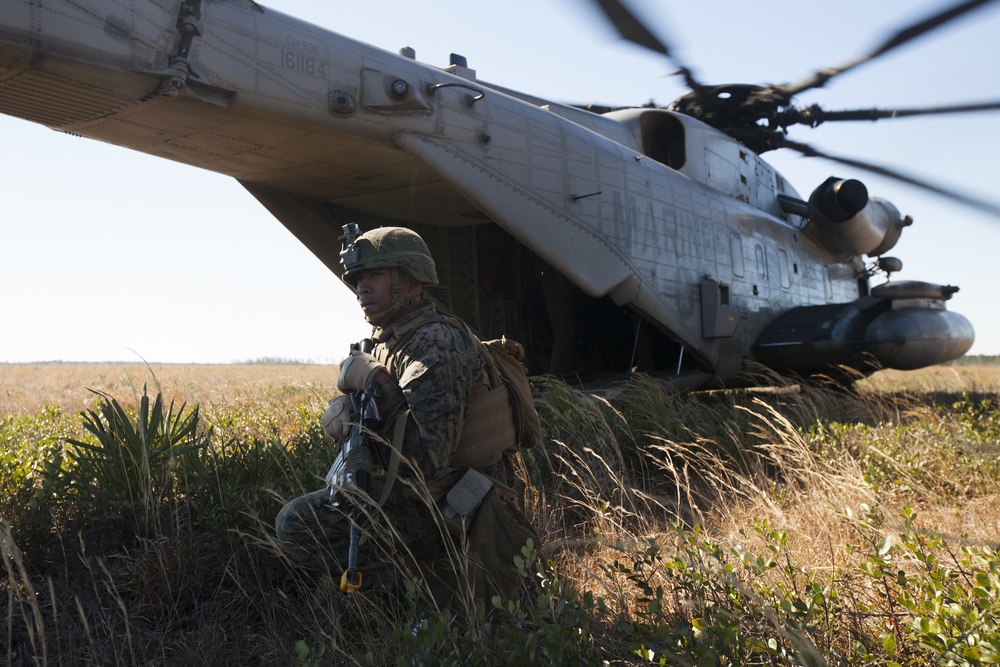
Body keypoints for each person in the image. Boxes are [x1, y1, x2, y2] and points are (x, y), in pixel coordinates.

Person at [275, 225, 537, 612]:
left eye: (376, 275)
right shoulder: (397, 340)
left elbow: (427, 460)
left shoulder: (433, 344)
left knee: (296, 525)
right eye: (359, 278)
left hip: (462, 507)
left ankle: (420, 586)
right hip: (440, 495)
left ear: (413, 284)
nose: (362, 287)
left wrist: (378, 385)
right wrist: (354, 423)